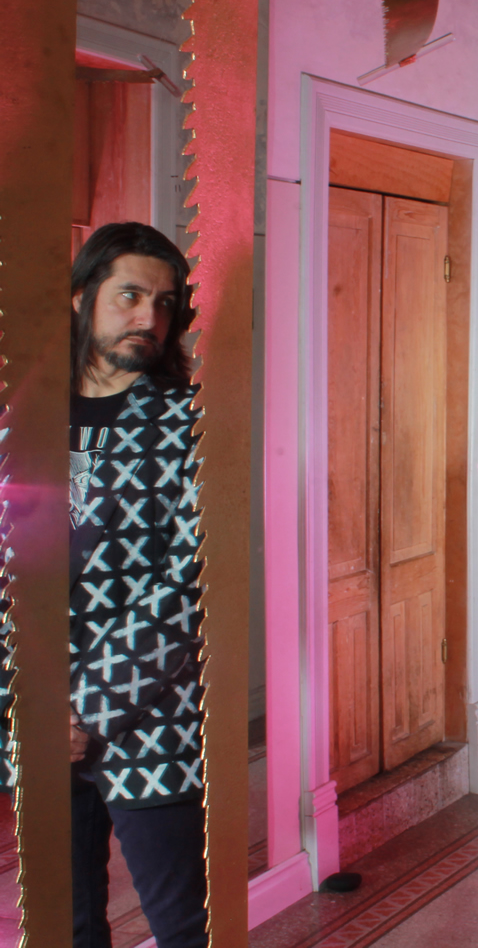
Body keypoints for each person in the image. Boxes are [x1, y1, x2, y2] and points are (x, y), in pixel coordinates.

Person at [67, 222, 207, 947]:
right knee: (66, 924)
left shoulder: (191, 426)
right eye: (129, 295)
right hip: (31, 716)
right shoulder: (19, 415)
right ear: (82, 296)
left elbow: (187, 585)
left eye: (165, 302)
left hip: (150, 715)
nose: (149, 317)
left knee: (183, 927)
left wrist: (86, 710)